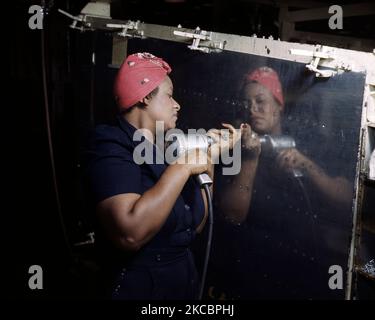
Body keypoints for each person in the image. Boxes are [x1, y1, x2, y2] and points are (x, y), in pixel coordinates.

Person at [84, 52, 238, 300]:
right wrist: (182, 167)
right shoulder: (111, 145)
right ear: (145, 96)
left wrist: (209, 159)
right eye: (169, 95)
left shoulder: (163, 150)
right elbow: (129, 233)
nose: (177, 104)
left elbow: (194, 227)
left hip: (181, 282)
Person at [215, 66, 353, 299]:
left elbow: (347, 198)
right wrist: (251, 157)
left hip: (305, 262)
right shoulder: (233, 148)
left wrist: (307, 165)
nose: (252, 110)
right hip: (255, 265)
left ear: (279, 106)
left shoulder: (307, 140)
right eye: (246, 103)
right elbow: (232, 215)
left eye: (260, 101)